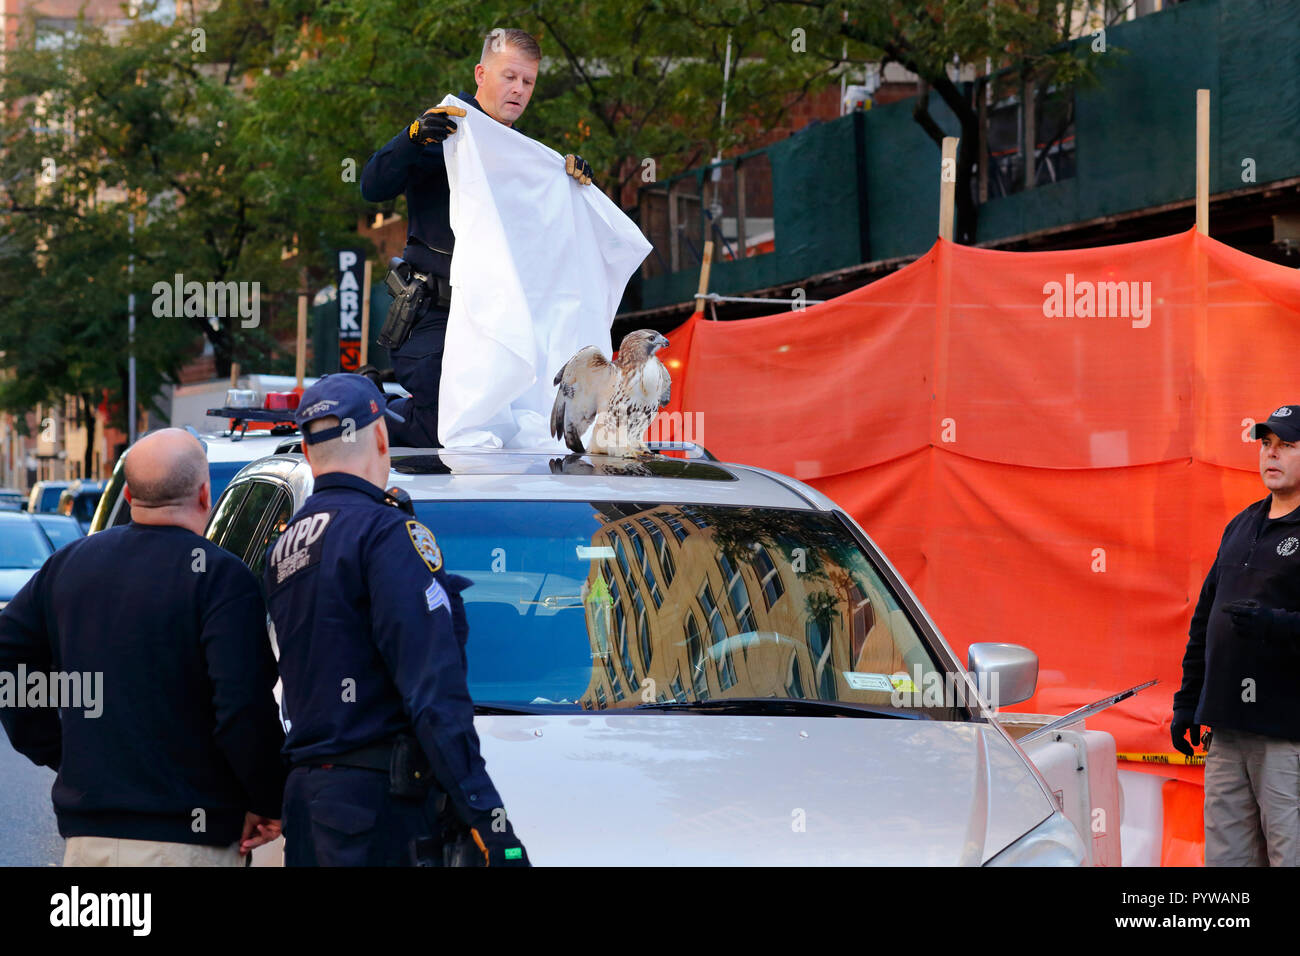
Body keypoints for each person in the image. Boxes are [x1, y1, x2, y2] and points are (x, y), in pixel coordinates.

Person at [265, 374, 527, 866]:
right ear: (381, 436)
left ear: (305, 450)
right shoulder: (385, 534)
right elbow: (433, 692)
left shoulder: (286, 545)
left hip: (310, 808)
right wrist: (491, 823)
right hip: (377, 814)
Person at [0, 428, 285, 866]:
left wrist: (59, 750)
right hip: (188, 843)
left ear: (129, 495)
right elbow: (242, 707)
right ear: (206, 494)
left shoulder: (69, 565)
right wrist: (267, 799)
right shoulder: (220, 578)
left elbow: (9, 658)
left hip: (88, 841)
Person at [359, 27, 593, 447]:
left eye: (528, 81)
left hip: (496, 318)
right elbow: (372, 186)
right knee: (448, 424)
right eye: (510, 77)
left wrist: (570, 183)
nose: (519, 90)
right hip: (433, 317)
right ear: (481, 74)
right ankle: (362, 407)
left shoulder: (525, 157)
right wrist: (412, 139)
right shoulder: (441, 134)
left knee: (510, 429)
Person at [1173, 404, 1300, 866]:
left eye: (1287, 445)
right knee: (1227, 859)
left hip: (1287, 735)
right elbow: (1205, 620)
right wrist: (1189, 703)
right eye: (1267, 443)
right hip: (1226, 727)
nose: (1273, 454)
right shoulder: (1242, 522)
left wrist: (1276, 625)